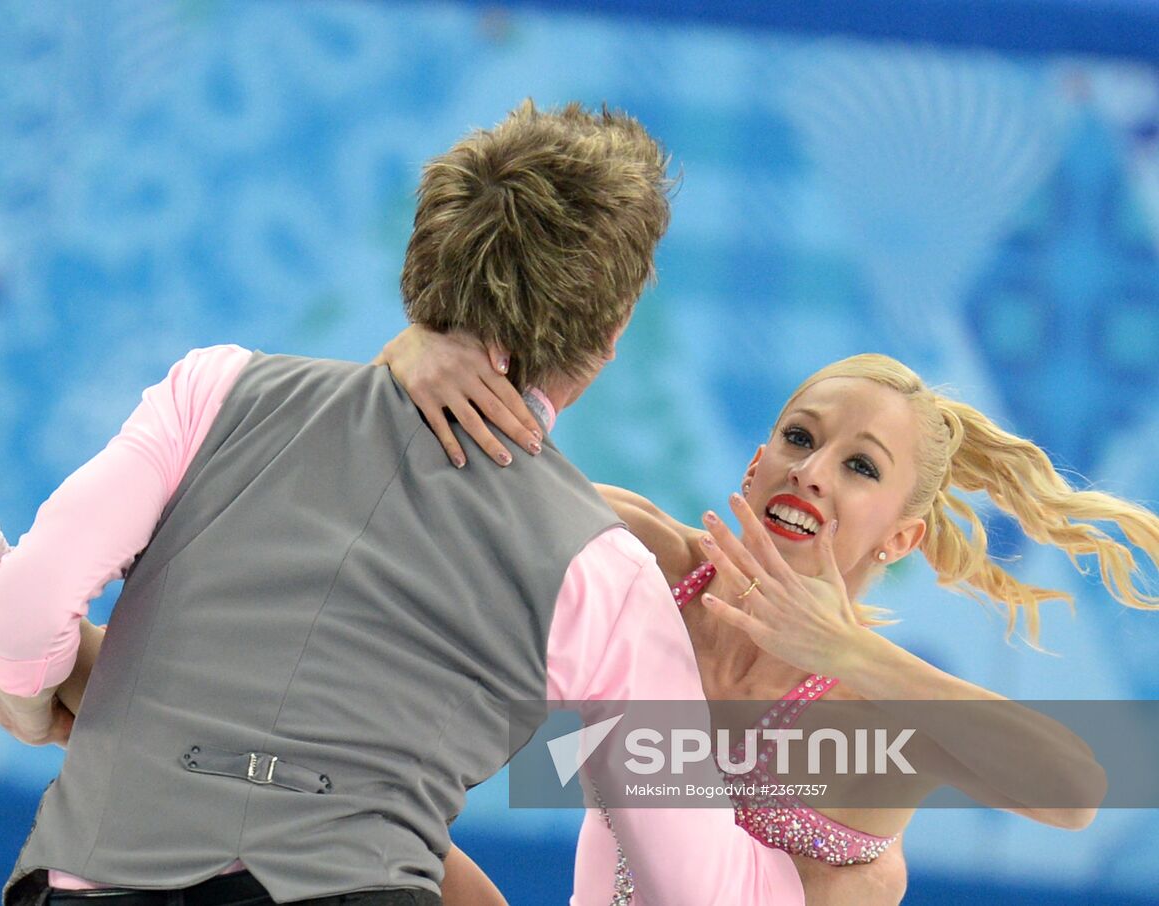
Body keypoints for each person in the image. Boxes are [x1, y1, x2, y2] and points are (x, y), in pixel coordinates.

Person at [0, 100, 820, 906]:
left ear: (422, 264)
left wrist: (32, 698)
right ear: (611, 334)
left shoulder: (213, 391)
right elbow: (703, 886)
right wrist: (859, 866)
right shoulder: (604, 570)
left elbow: (20, 615)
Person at [378, 328, 1159, 904]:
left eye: (860, 466)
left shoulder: (876, 713)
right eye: (798, 438)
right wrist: (413, 355)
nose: (812, 472)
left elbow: (1078, 790)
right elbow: (435, 476)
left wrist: (845, 651)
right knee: (354, 819)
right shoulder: (647, 566)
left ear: (902, 536)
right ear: (756, 465)